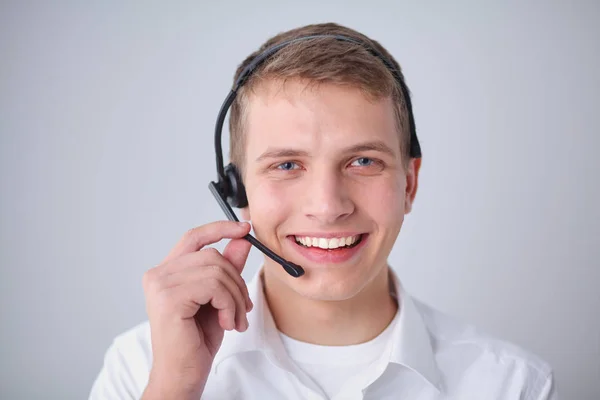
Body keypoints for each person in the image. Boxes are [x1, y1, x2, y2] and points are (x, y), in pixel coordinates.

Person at [89, 22, 557, 399]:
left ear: (409, 184)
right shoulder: (141, 368)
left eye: (363, 161)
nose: (328, 206)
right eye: (287, 165)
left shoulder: (512, 385)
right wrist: (174, 390)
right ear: (236, 190)